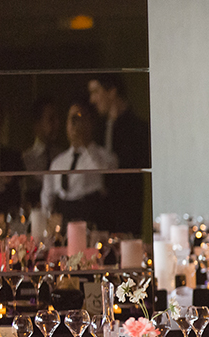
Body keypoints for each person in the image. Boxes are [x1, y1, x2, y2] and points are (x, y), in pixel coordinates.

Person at [88, 74, 150, 234]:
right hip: (101, 215)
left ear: (112, 91)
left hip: (127, 214)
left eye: (96, 92)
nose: (92, 99)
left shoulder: (138, 129)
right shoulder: (98, 130)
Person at [41, 101, 117, 226]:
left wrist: (86, 142)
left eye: (79, 118)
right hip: (63, 222)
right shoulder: (57, 163)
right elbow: (47, 199)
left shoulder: (104, 157)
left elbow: (108, 171)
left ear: (90, 122)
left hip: (91, 220)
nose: (74, 124)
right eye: (71, 119)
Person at [22, 96, 64, 208]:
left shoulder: (62, 157)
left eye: (57, 119)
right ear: (38, 125)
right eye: (51, 119)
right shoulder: (26, 160)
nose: (57, 124)